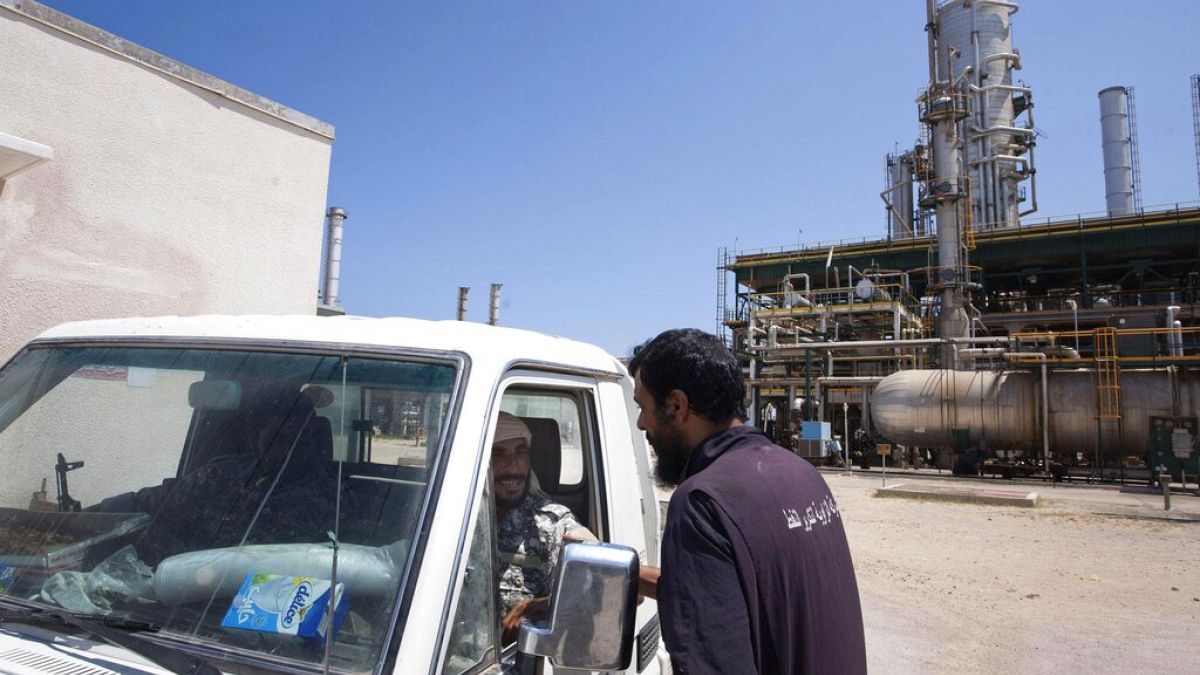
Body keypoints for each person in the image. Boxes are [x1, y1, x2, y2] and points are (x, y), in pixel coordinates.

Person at [629, 329, 866, 675]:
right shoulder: (802, 474)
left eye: (643, 407)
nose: (640, 423)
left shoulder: (702, 502)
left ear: (676, 406)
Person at [491, 412, 595, 641]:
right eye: (497, 454)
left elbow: (601, 592)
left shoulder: (551, 522)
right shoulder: (450, 519)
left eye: (521, 452)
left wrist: (538, 607)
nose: (513, 467)